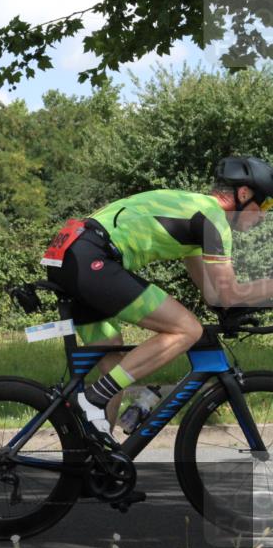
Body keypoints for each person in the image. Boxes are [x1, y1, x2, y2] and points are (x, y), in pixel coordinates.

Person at [44, 156, 273, 445]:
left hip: (73, 255)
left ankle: (97, 465)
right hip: (92, 258)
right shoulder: (214, 218)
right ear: (244, 194)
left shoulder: (193, 210)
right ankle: (91, 399)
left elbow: (214, 292)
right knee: (187, 330)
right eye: (265, 205)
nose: (264, 215)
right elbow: (229, 291)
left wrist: (225, 311)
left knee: (114, 361)